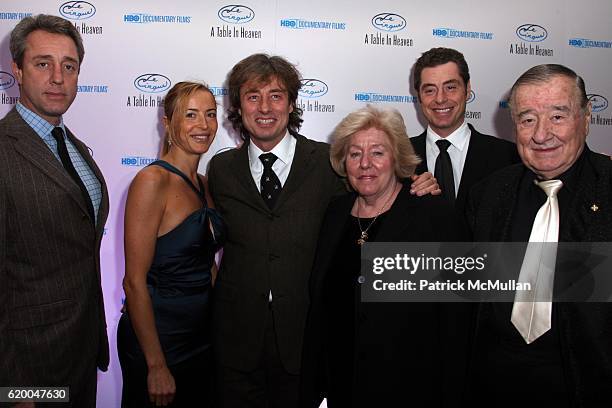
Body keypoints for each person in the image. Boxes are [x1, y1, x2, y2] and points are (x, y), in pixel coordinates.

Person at [207, 53, 437, 407]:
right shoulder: (221, 169)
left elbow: (376, 184)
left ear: (292, 103)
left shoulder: (331, 163)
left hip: (305, 344)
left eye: (276, 95)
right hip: (236, 345)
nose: (265, 107)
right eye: (253, 96)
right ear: (238, 106)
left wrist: (417, 184)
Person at [300, 105, 467, 408]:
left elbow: (455, 325)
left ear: (397, 158)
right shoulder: (336, 213)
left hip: (407, 389)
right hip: (339, 386)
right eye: (354, 154)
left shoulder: (431, 216)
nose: (365, 164)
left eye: (377, 152)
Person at [466, 64, 612, 407]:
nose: (541, 134)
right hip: (494, 390)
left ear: (587, 116)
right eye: (527, 119)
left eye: (558, 116)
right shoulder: (487, 195)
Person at [0, 14, 108, 406]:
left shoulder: (74, 148)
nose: (58, 77)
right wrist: (12, 387)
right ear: (17, 69)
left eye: (69, 66)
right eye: (43, 63)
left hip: (79, 354)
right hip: (29, 368)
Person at [117, 81, 223, 407]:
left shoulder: (205, 184)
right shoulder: (152, 182)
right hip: (160, 342)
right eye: (190, 115)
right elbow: (134, 281)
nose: (203, 125)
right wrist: (156, 364)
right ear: (167, 122)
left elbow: (207, 264)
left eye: (210, 114)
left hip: (201, 340)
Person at [411, 47, 519, 211]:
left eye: (450, 87)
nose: (440, 99)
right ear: (419, 96)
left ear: (467, 90)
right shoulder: (398, 157)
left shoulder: (508, 156)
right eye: (430, 90)